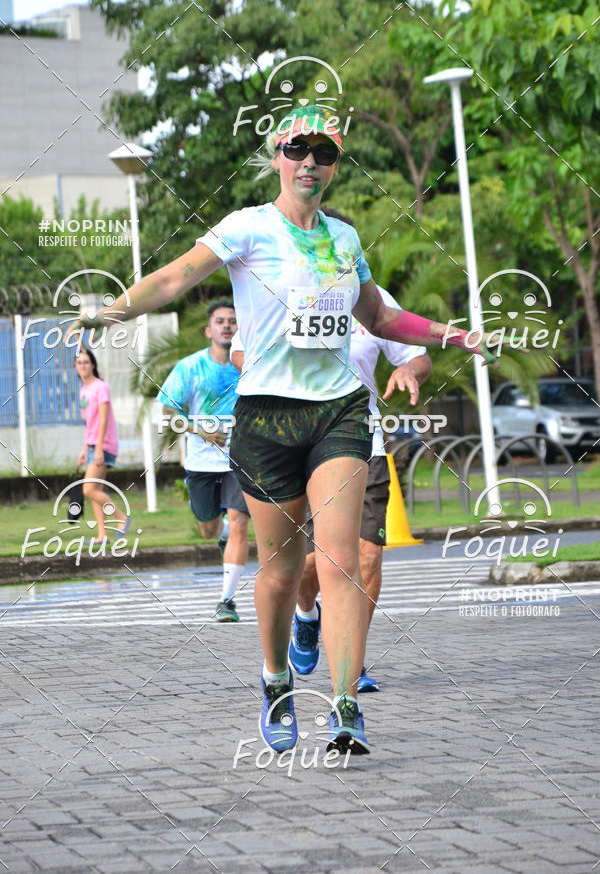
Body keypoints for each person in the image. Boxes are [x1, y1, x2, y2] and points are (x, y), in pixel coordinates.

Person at [71, 105, 497, 756]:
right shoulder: (248, 229)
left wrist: (453, 335)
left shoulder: (345, 240)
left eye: (323, 152)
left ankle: (346, 706)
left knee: (342, 562)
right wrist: (111, 310)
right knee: (278, 572)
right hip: (266, 416)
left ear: (334, 164)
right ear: (277, 156)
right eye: (298, 149)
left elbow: (380, 316)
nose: (310, 162)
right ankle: (274, 679)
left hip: (338, 411)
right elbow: (178, 275)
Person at [229, 209, 432, 694]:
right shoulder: (279, 294)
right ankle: (305, 612)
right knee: (301, 565)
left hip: (360, 441)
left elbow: (415, 353)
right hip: (291, 440)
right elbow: (242, 350)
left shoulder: (370, 301)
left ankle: (350, 665)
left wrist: (408, 373)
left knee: (363, 558)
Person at [157, 299, 250, 623]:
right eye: (221, 321)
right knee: (208, 530)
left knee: (240, 523)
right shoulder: (189, 367)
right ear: (208, 330)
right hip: (201, 463)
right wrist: (200, 430)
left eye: (233, 321)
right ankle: (218, 527)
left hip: (241, 459)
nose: (227, 326)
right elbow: (168, 415)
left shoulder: (252, 364)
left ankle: (227, 601)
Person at [76, 346, 130, 545]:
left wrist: (98, 448)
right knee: (96, 490)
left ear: (93, 365)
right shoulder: (84, 389)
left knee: (88, 490)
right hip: (91, 444)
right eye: (79, 363)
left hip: (103, 444)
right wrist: (84, 448)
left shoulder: (100, 387)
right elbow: (89, 422)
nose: (83, 366)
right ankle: (102, 535)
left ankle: (121, 518)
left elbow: (104, 420)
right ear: (76, 366)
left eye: (86, 362)